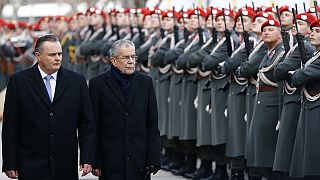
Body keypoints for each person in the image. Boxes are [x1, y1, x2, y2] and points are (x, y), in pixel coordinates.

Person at [1, 34, 95, 180]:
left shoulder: (77, 82)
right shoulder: (19, 82)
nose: (58, 58)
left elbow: (86, 124)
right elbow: (10, 126)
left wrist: (87, 157)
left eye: (59, 54)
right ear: (38, 56)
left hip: (65, 164)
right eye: (52, 55)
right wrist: (9, 162)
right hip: (30, 164)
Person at [89, 39, 161, 180]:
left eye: (133, 57)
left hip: (139, 162)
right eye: (126, 57)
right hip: (110, 162)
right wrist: (95, 160)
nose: (131, 61)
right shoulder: (97, 84)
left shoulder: (145, 83)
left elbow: (152, 124)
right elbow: (93, 126)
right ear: (114, 61)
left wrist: (154, 158)